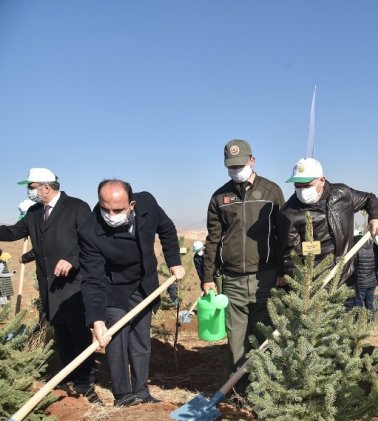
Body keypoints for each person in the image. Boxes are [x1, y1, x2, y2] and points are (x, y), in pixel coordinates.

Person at [78, 179, 184, 407]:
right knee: (116, 340)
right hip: (112, 288)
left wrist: (174, 262)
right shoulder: (89, 231)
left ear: (132, 204)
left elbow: (166, 229)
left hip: (144, 283)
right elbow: (92, 279)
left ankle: (141, 390)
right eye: (104, 207)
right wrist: (97, 320)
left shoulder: (148, 203)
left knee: (141, 339)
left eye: (117, 209)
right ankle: (123, 395)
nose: (110, 214)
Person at [0, 168, 96, 399]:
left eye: (31, 186)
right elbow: (13, 231)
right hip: (49, 285)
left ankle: (86, 379)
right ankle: (69, 375)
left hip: (73, 284)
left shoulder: (76, 207)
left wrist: (72, 260)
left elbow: (90, 240)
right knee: (61, 333)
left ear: (46, 187)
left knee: (78, 331)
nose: (29, 191)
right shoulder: (34, 212)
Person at [202, 139, 285, 372]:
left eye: (240, 165)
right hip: (232, 281)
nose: (236, 170)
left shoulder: (271, 191)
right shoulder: (220, 198)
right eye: (231, 166)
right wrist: (207, 277)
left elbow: (284, 235)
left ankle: (264, 387)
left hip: (265, 277)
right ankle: (238, 389)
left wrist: (284, 271)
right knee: (236, 340)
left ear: (252, 160)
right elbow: (213, 239)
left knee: (264, 334)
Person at [277, 157, 378, 290]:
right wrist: (305, 288)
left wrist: (376, 217)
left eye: (307, 185)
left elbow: (369, 198)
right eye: (297, 186)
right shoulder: (289, 214)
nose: (302, 191)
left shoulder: (342, 194)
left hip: (346, 280)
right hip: (317, 286)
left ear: (321, 180)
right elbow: (292, 257)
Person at [351, 230, 378, 317]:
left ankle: (356, 326)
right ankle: (370, 323)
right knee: (369, 304)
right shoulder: (373, 248)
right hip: (372, 283)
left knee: (358, 307)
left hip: (360, 284)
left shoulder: (356, 251)